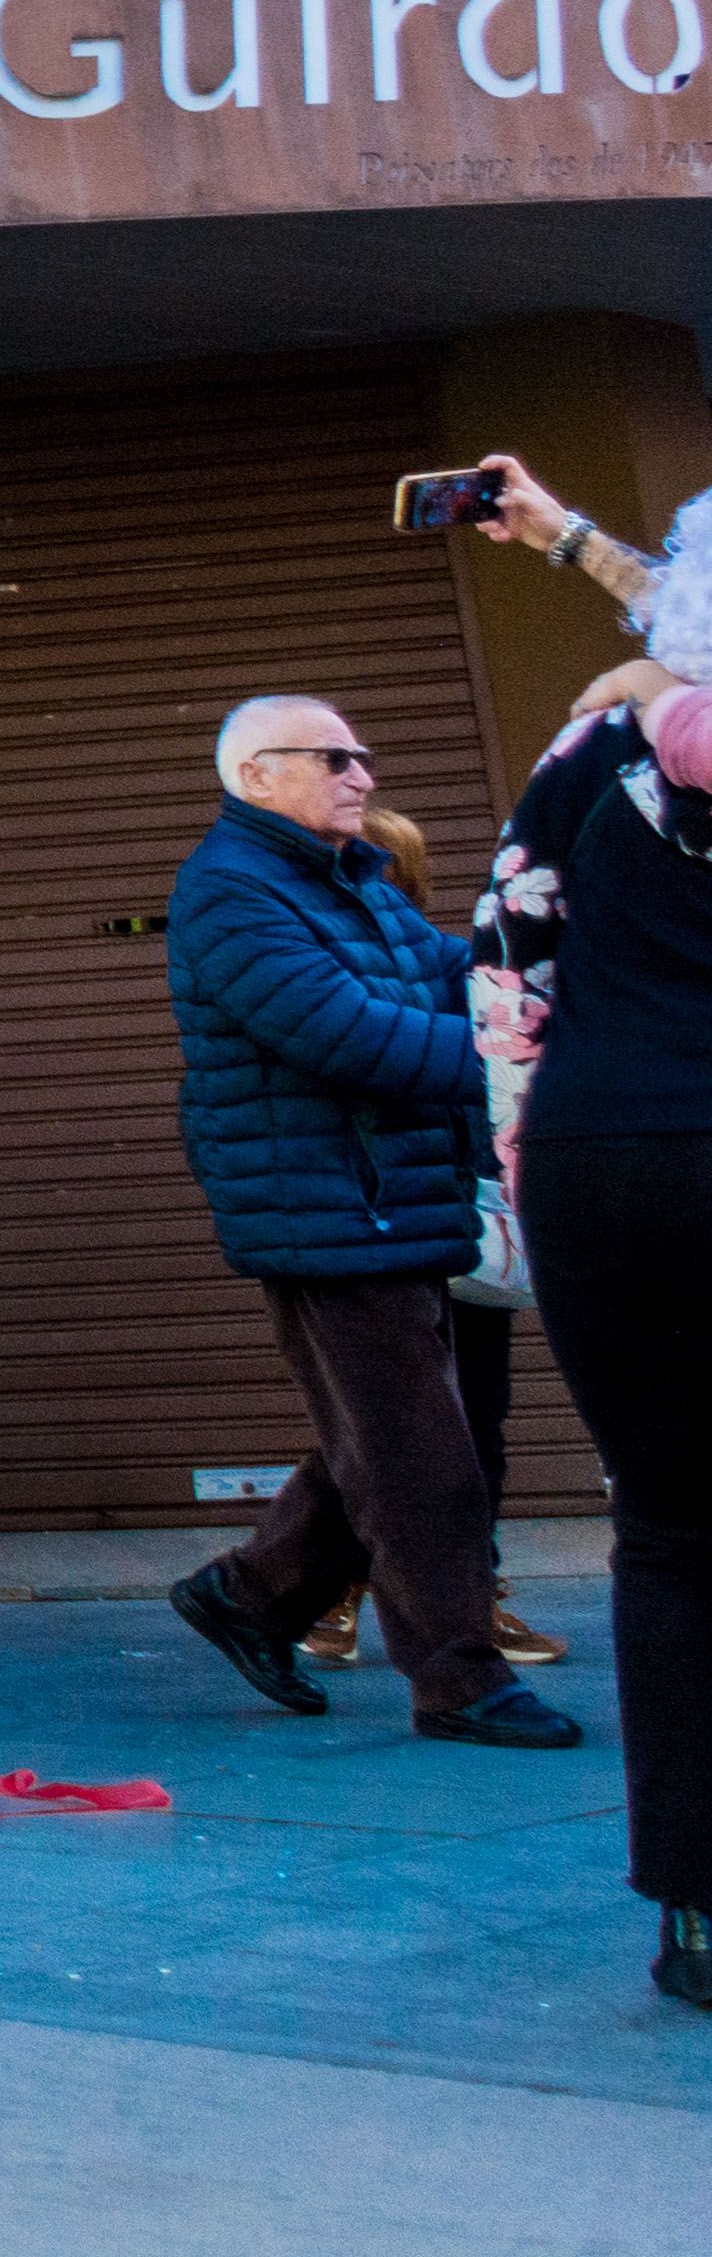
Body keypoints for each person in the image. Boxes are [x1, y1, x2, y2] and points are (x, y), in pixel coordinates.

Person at [158, 694, 567, 1751]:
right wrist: (513, 1061)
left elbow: (449, 975)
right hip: (329, 1212)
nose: (363, 774)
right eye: (334, 757)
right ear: (257, 776)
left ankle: (252, 1595)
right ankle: (459, 1680)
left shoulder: (354, 882)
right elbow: (341, 1034)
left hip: (400, 1200)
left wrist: (546, 977)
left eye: (364, 756)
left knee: (421, 1438)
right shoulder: (229, 892)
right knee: (419, 1459)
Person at [487, 522, 712, 2009]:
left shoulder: (586, 753)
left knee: (673, 1530)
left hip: (598, 1158)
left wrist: (524, 1181)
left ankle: (694, 1912)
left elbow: (507, 970)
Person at [299, 804, 558, 1682]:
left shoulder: (448, 964)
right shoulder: (321, 966)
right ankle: (328, 1594)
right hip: (380, 1225)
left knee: (463, 1422)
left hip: (455, 1226)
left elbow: (497, 1084)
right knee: (397, 1427)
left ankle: (466, 1593)